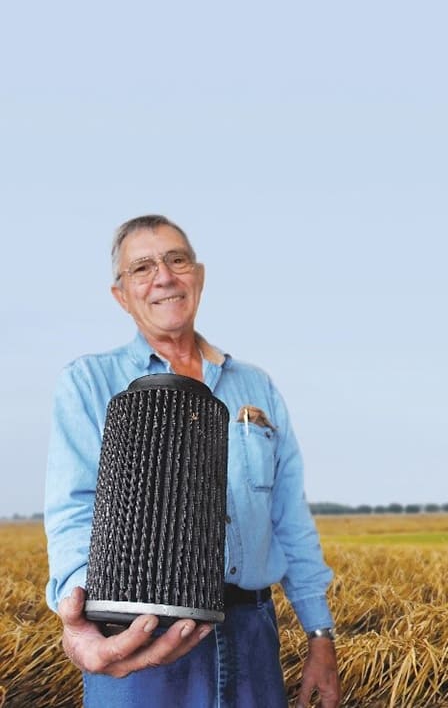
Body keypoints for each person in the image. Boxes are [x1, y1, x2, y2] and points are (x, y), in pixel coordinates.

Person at [45, 214, 341, 708]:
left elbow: (289, 517)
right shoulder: (89, 383)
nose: (163, 276)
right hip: (140, 635)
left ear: (197, 276)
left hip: (250, 635)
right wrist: (80, 617)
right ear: (121, 295)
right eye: (142, 268)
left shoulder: (257, 385)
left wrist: (320, 633)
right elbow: (75, 511)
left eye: (175, 259)